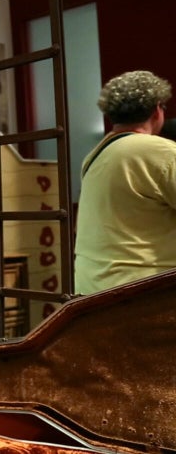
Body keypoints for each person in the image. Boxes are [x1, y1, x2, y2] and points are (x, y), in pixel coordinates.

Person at [74, 70, 176, 295]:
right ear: (157, 109)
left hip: (93, 292)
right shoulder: (160, 151)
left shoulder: (94, 156)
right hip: (147, 294)